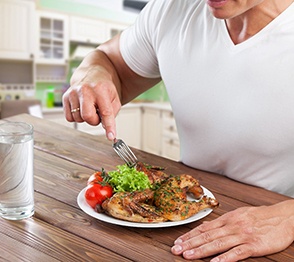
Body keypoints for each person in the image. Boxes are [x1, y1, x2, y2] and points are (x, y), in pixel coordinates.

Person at [63, 0, 294, 260]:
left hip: (272, 236)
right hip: (175, 228)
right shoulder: (171, 9)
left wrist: (290, 217)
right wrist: (91, 76)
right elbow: (107, 61)